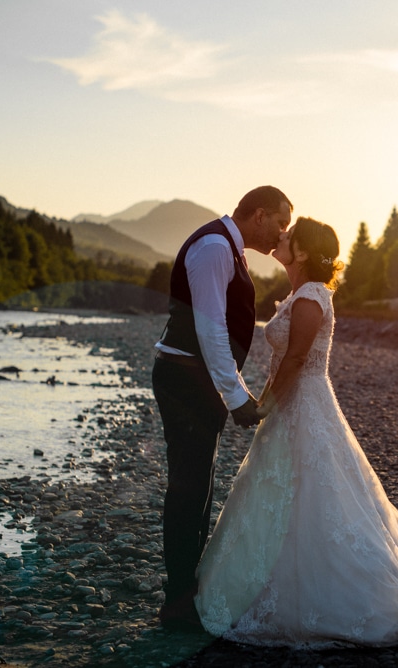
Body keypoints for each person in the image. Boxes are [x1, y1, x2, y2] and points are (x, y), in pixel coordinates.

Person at [195, 217, 398, 647]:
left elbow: (294, 361)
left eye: (289, 237)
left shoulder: (309, 298)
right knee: (287, 491)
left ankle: (346, 596)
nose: (281, 237)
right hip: (294, 404)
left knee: (315, 491)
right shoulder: (299, 295)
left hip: (303, 405)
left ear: (304, 252)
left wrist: (263, 406)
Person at [153, 185, 293, 631]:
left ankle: (187, 590)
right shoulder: (215, 248)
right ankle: (177, 601)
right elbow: (211, 329)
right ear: (258, 215)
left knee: (200, 486)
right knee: (188, 488)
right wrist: (237, 399)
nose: (281, 233)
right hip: (186, 380)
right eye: (280, 223)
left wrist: (226, 390)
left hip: (198, 380)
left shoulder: (229, 249)